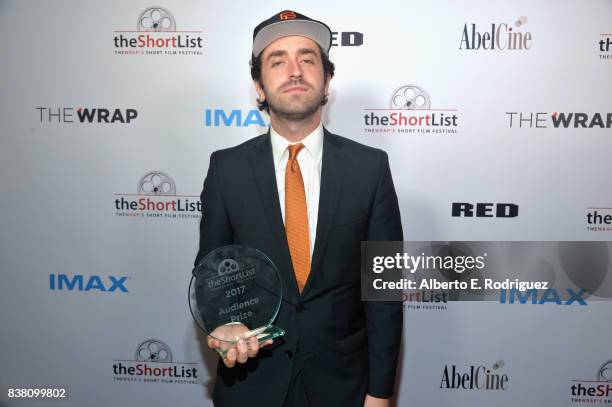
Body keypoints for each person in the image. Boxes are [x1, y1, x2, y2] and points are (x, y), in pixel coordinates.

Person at [194, 10, 403, 407]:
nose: (294, 71)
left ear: (327, 82)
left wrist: (380, 393)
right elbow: (210, 269)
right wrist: (225, 322)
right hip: (250, 386)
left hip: (344, 388)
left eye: (308, 59)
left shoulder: (370, 168)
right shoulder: (226, 169)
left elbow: (385, 294)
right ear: (258, 87)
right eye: (278, 61)